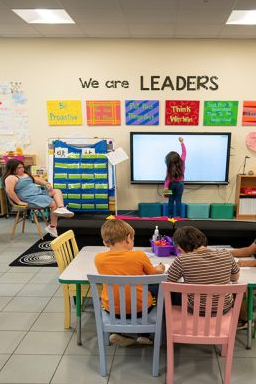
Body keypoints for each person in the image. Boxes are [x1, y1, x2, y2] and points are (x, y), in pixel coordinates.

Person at [94, 218, 165, 347]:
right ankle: (145, 335)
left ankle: (118, 332)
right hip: (142, 310)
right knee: (153, 291)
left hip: (112, 311)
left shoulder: (99, 259)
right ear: (128, 238)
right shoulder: (139, 255)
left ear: (105, 242)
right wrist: (160, 268)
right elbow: (153, 275)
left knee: (116, 295)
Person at [167, 225, 240, 313]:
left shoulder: (182, 260)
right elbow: (235, 278)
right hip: (223, 309)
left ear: (181, 247)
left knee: (176, 294)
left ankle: (168, 322)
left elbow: (167, 282)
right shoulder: (226, 254)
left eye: (179, 250)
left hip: (196, 310)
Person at [3, 159, 73, 238]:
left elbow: (38, 180)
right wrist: (19, 202)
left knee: (57, 191)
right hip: (30, 198)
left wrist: (46, 184)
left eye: (22, 167)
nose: (22, 169)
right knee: (53, 204)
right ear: (12, 168)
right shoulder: (11, 178)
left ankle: (61, 208)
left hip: (39, 192)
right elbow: (10, 191)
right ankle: (53, 227)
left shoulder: (25, 174)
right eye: (19, 168)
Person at [164, 137, 186, 218]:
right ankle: (178, 216)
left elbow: (167, 179)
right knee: (178, 201)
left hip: (172, 184)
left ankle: (170, 216)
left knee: (170, 200)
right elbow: (184, 152)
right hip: (180, 184)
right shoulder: (182, 162)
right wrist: (182, 142)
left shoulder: (169, 167)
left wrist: (166, 189)